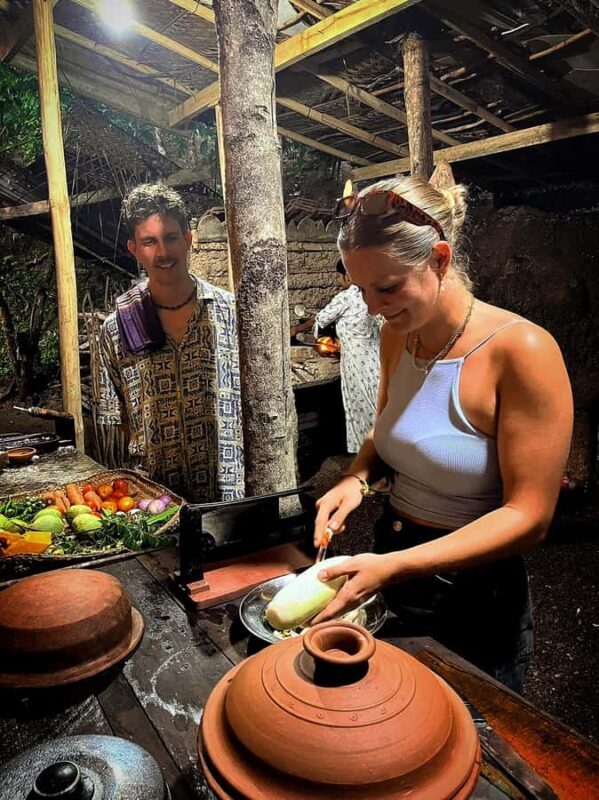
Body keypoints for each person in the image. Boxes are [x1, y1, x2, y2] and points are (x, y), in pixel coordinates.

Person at [311, 176, 573, 692]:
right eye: (359, 289)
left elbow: (529, 518)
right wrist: (355, 479)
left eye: (386, 287)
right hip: (393, 566)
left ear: (439, 259)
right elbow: (387, 432)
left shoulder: (521, 351)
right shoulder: (396, 336)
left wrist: (394, 567)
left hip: (475, 594)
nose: (370, 306)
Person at [98, 184, 244, 503]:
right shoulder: (117, 328)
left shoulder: (232, 313)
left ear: (189, 240)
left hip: (230, 496)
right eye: (150, 242)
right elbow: (112, 421)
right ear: (134, 249)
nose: (163, 253)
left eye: (171, 238)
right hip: (154, 503)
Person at [312, 258, 382, 453]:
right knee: (377, 402)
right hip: (375, 359)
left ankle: (366, 452)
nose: (338, 281)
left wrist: (325, 336)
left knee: (359, 404)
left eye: (339, 277)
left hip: (355, 360)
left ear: (348, 276)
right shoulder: (374, 294)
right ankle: (383, 448)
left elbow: (321, 320)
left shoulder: (347, 296)